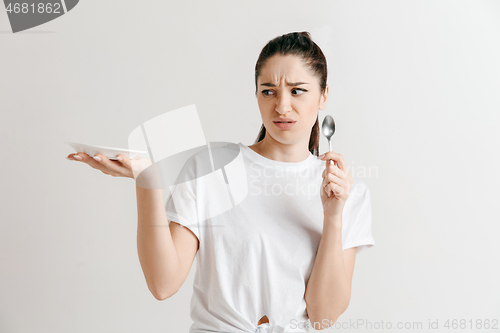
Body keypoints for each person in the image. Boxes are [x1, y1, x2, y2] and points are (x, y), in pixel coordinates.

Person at [66, 31, 375, 333]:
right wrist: (148, 182)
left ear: (323, 96)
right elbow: (163, 283)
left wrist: (333, 217)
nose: (281, 106)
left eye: (297, 91)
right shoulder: (211, 167)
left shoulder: (348, 193)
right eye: (268, 91)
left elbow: (324, 317)